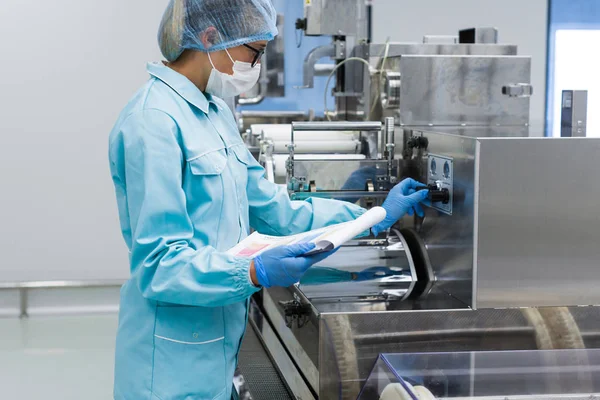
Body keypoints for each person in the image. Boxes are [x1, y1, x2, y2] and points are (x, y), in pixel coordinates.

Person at [108, 0, 429, 398]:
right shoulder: (152, 121)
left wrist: (371, 216)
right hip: (168, 365)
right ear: (211, 38)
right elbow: (159, 265)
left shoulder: (214, 114)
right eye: (254, 52)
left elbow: (275, 210)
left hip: (215, 351)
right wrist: (252, 272)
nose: (256, 66)